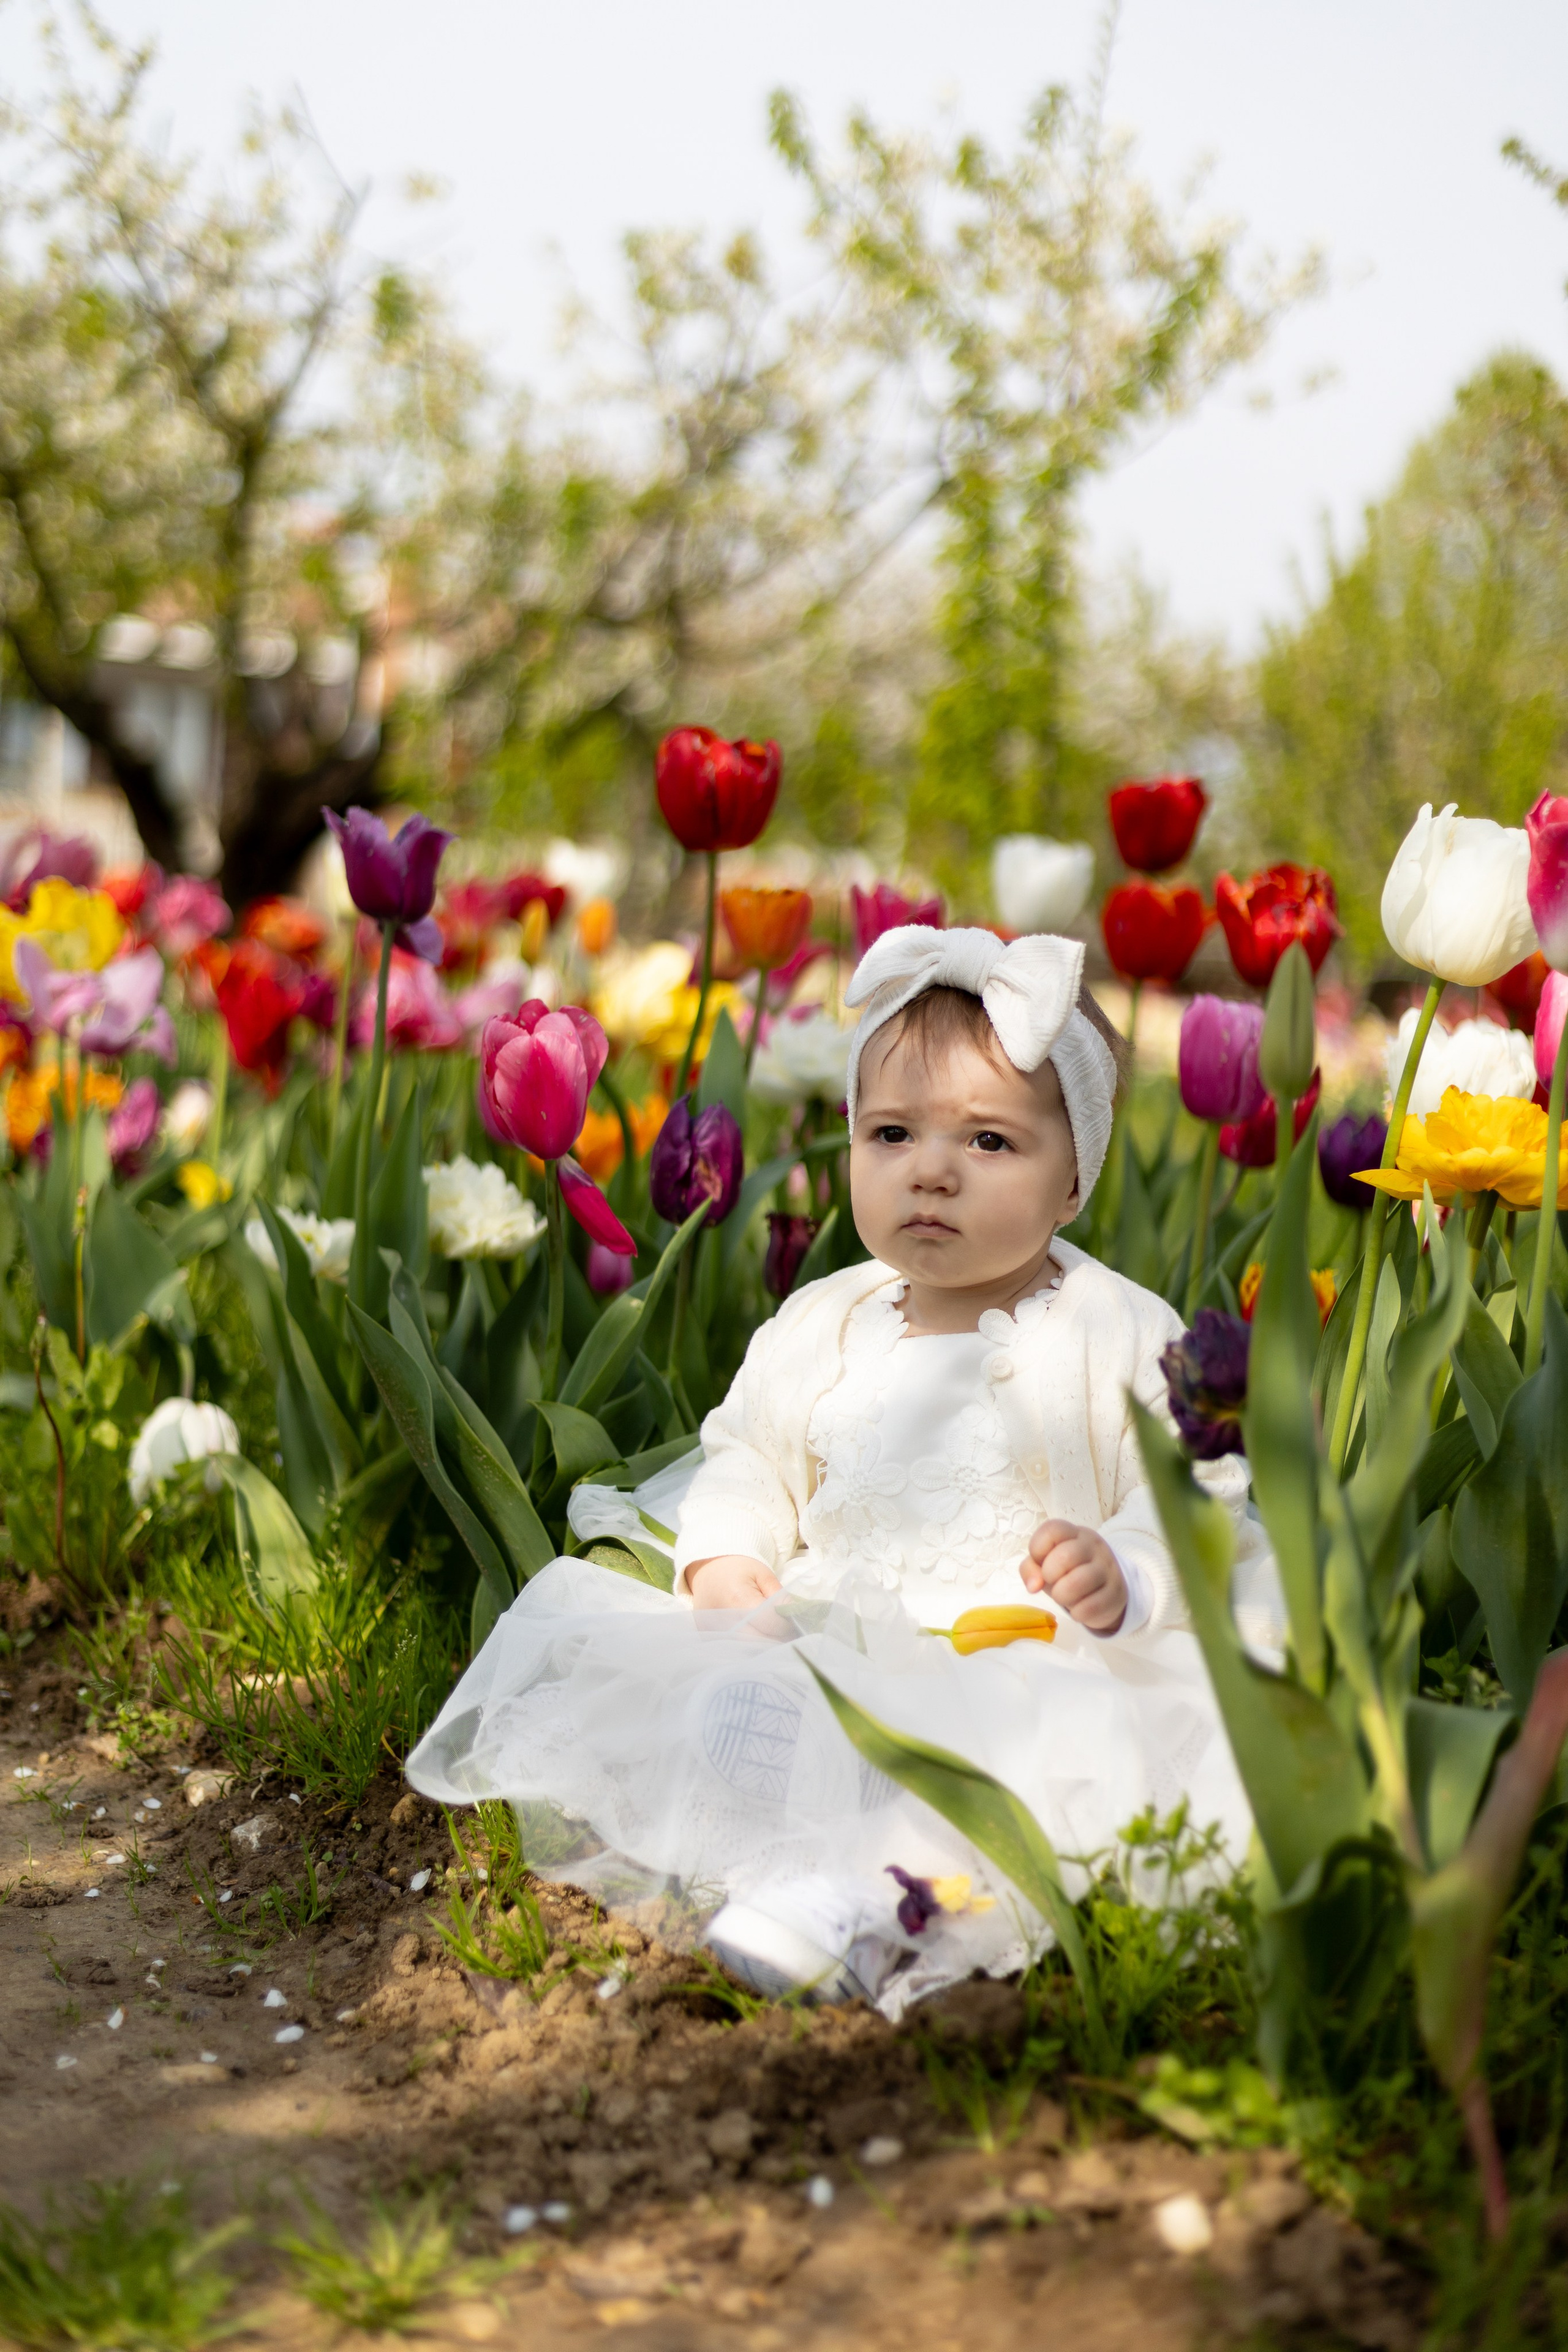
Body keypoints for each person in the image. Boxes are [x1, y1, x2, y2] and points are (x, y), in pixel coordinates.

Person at [406, 925, 1279, 2019]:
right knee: (748, 1696)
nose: (932, 1170)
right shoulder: (825, 1320)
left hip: (1027, 1653)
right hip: (842, 1633)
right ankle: (796, 1837)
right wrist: (725, 1561)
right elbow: (749, 1456)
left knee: (1024, 1758)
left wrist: (1129, 1569)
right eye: (893, 1133)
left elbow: (1196, 1482)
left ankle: (875, 1905)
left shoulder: (1117, 1329)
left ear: (1074, 1182)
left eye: (991, 1142)